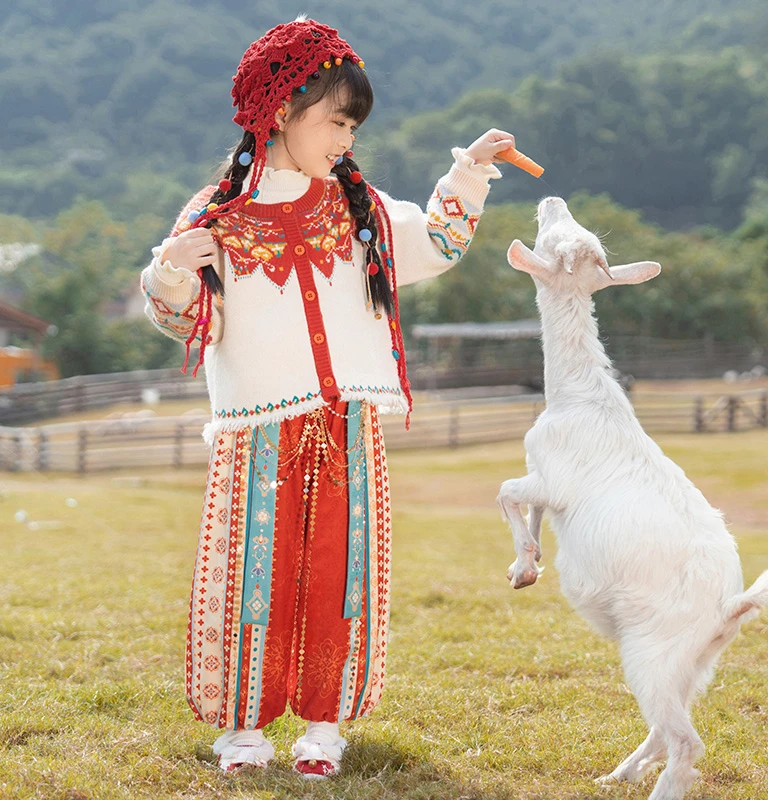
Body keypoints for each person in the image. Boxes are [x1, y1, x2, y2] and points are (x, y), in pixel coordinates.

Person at [141, 15, 514, 779]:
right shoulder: (216, 215)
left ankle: (323, 726)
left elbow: (436, 243)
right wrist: (171, 268)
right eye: (337, 121)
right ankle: (244, 730)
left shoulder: (358, 207)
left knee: (341, 575)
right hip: (258, 430)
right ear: (281, 109)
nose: (347, 138)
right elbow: (183, 318)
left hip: (346, 423)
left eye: (353, 126)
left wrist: (470, 172)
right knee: (254, 576)